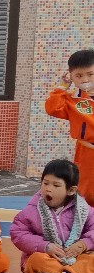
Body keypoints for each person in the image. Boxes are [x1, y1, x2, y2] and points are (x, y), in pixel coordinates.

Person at [10, 158, 94, 273]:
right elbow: (18, 233)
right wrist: (45, 246)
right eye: (45, 183)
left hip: (74, 258)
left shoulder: (83, 210)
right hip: (47, 258)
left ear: (71, 190)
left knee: (91, 258)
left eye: (56, 185)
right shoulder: (33, 210)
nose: (48, 189)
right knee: (35, 261)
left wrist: (84, 244)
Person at [45, 49, 94, 201]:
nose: (85, 80)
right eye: (79, 75)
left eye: (90, 74)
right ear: (71, 76)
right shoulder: (72, 99)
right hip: (87, 152)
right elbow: (52, 108)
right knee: (86, 192)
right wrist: (62, 87)